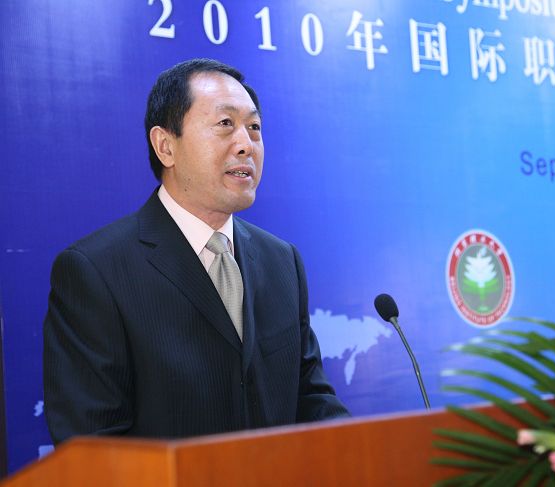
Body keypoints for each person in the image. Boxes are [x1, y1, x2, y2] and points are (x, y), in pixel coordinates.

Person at [43, 58, 349, 444]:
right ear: (165, 146)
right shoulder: (96, 271)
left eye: (254, 127)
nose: (246, 145)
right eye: (225, 124)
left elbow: (310, 397)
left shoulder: (282, 261)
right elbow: (94, 446)